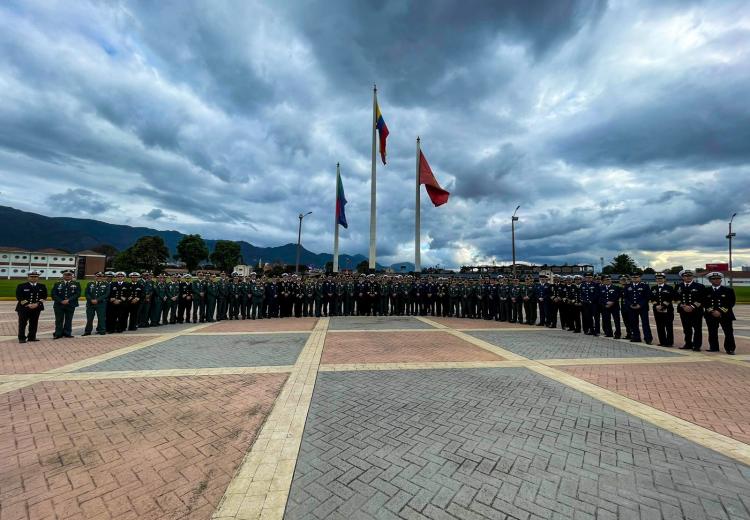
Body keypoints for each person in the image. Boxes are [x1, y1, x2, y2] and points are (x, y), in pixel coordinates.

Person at [703, 272, 736, 355]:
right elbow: (705, 303)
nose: (716, 280)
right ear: (710, 280)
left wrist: (720, 311)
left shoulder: (728, 290)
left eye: (718, 279)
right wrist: (712, 311)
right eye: (714, 279)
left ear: (721, 280)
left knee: (728, 332)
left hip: (725, 315)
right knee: (712, 331)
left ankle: (730, 349)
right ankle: (714, 347)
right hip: (711, 315)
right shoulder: (706, 291)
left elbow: (731, 303)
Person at [676, 269, 705, 351]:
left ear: (693, 276)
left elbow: (702, 299)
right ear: (682, 277)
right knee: (686, 329)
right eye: (686, 276)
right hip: (683, 310)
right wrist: (683, 306)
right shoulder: (679, 286)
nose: (688, 277)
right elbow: (676, 298)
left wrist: (692, 306)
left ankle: (697, 345)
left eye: (690, 276)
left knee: (697, 329)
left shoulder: (699, 286)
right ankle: (688, 343)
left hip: (696, 311)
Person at [16, 270, 47, 343]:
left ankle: (32, 337)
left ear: (38, 278)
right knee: (22, 323)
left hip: (36, 308)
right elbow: (19, 297)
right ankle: (21, 338)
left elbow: (44, 297)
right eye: (32, 277)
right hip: (24, 308)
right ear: (28, 277)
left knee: (34, 323)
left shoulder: (42, 286)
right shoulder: (21, 286)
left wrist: (37, 304)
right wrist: (28, 304)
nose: (33, 278)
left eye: (35, 277)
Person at [51, 269, 81, 339]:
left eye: (69, 275)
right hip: (59, 305)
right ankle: (58, 333)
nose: (67, 276)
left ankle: (67, 333)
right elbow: (53, 294)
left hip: (70, 304)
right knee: (58, 320)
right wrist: (61, 301)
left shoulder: (76, 284)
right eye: (66, 275)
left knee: (69, 319)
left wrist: (68, 300)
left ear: (72, 276)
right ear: (63, 275)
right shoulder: (57, 283)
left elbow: (78, 294)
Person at [624, 273, 652, 344]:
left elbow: (647, 297)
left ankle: (648, 338)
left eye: (636, 277)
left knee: (645, 323)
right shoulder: (627, 286)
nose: (634, 278)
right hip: (632, 308)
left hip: (642, 308)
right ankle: (636, 337)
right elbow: (626, 298)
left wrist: (640, 305)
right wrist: (630, 305)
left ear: (640, 278)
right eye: (633, 277)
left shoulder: (645, 286)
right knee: (633, 323)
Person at [650, 272, 675, 347]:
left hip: (668, 310)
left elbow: (670, 298)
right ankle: (662, 341)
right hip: (657, 310)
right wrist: (656, 305)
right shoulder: (653, 288)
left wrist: (663, 306)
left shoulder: (669, 288)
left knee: (668, 326)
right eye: (657, 279)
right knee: (660, 326)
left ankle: (669, 342)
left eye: (661, 278)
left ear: (664, 279)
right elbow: (652, 298)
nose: (659, 280)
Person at [83, 271, 110, 336]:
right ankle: (88, 331)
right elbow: (87, 293)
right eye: (97, 276)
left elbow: (106, 294)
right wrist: (91, 299)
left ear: (103, 277)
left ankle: (102, 330)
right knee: (89, 318)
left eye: (100, 276)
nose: (99, 277)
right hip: (90, 304)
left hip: (101, 304)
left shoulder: (106, 284)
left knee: (101, 318)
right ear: (95, 277)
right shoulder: (90, 284)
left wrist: (97, 300)